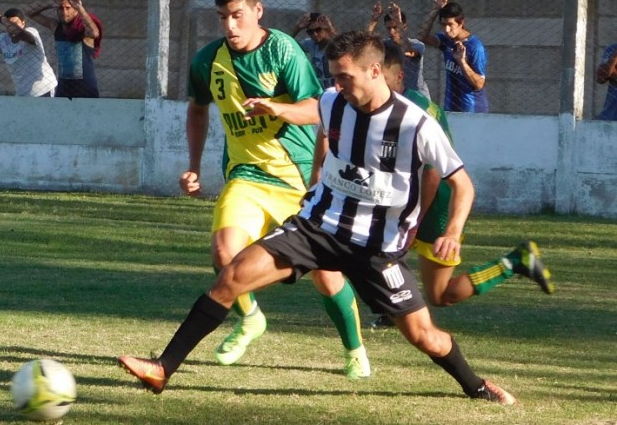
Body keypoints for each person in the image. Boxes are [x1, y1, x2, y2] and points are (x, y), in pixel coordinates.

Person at [118, 31, 548, 406]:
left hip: (376, 249)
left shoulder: (416, 124)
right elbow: (312, 109)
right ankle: (163, 368)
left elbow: (463, 184)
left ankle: (476, 386)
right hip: (317, 226)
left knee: (424, 335)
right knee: (233, 274)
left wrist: (452, 231)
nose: (337, 86)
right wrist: (276, 109)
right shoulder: (334, 101)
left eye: (345, 77)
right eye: (334, 78)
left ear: (375, 71)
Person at [122, 0, 372, 385]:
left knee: (327, 277)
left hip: (297, 178)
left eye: (237, 15)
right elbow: (198, 109)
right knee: (225, 252)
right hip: (247, 175)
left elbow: (317, 108)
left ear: (258, 11)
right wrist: (194, 165)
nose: (230, 25)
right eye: (223, 17)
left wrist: (276, 109)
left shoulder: (283, 50)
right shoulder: (207, 61)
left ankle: (355, 350)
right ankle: (251, 317)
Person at [370, 43, 554, 328]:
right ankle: (393, 309)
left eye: (383, 79)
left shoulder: (417, 111)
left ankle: (514, 262)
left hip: (436, 205)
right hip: (406, 200)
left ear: (399, 77)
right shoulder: (378, 106)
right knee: (374, 250)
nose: (376, 87)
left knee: (440, 294)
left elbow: (432, 174)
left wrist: (415, 219)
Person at [418, 0, 488, 113]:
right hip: (450, 108)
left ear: (461, 23)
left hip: (472, 112)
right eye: (443, 24)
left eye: (450, 24)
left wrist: (462, 62)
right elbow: (421, 38)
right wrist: (436, 10)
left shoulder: (475, 47)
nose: (446, 29)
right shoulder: (446, 40)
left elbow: (479, 84)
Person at [23, 0, 102, 98]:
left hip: (85, 87)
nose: (64, 12)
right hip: (64, 86)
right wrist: (49, 3)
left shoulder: (82, 30)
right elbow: (28, 12)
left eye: (68, 8)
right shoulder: (56, 27)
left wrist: (80, 8)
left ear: (75, 11)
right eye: (61, 8)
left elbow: (94, 33)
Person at [0, 7, 58, 98]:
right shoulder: (3, 39)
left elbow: (19, 32)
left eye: (15, 23)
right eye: (9, 23)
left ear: (23, 23)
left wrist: (0, 18)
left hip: (43, 89)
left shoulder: (31, 32)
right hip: (22, 93)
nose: (12, 26)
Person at [367, 1, 430, 99]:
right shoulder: (386, 45)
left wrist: (399, 22)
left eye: (395, 27)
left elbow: (409, 52)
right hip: (397, 95)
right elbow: (365, 45)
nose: (392, 31)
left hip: (417, 96)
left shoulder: (417, 45)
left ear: (404, 27)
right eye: (389, 28)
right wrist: (373, 20)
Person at [291, 12, 335, 90]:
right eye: (310, 32)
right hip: (320, 91)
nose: (314, 34)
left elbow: (345, 46)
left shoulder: (334, 43)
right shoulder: (310, 44)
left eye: (318, 30)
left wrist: (330, 29)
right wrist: (297, 28)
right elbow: (286, 44)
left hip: (337, 91)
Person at [595, 43, 617, 121]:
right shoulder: (612, 48)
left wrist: (613, 70)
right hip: (611, 116)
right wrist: (615, 56)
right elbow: (602, 76)